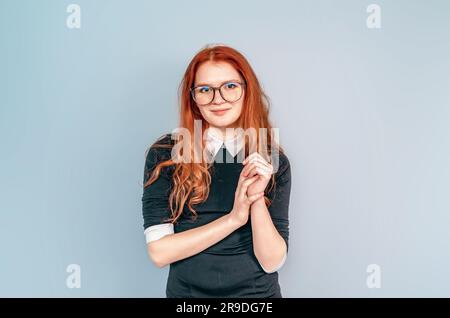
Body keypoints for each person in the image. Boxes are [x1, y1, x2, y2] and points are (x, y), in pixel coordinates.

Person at [142, 44, 291, 297]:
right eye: (205, 90)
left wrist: (255, 199)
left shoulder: (271, 160)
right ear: (193, 98)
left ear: (247, 90)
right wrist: (233, 219)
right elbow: (159, 253)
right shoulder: (165, 153)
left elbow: (272, 261)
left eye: (230, 86)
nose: (218, 99)